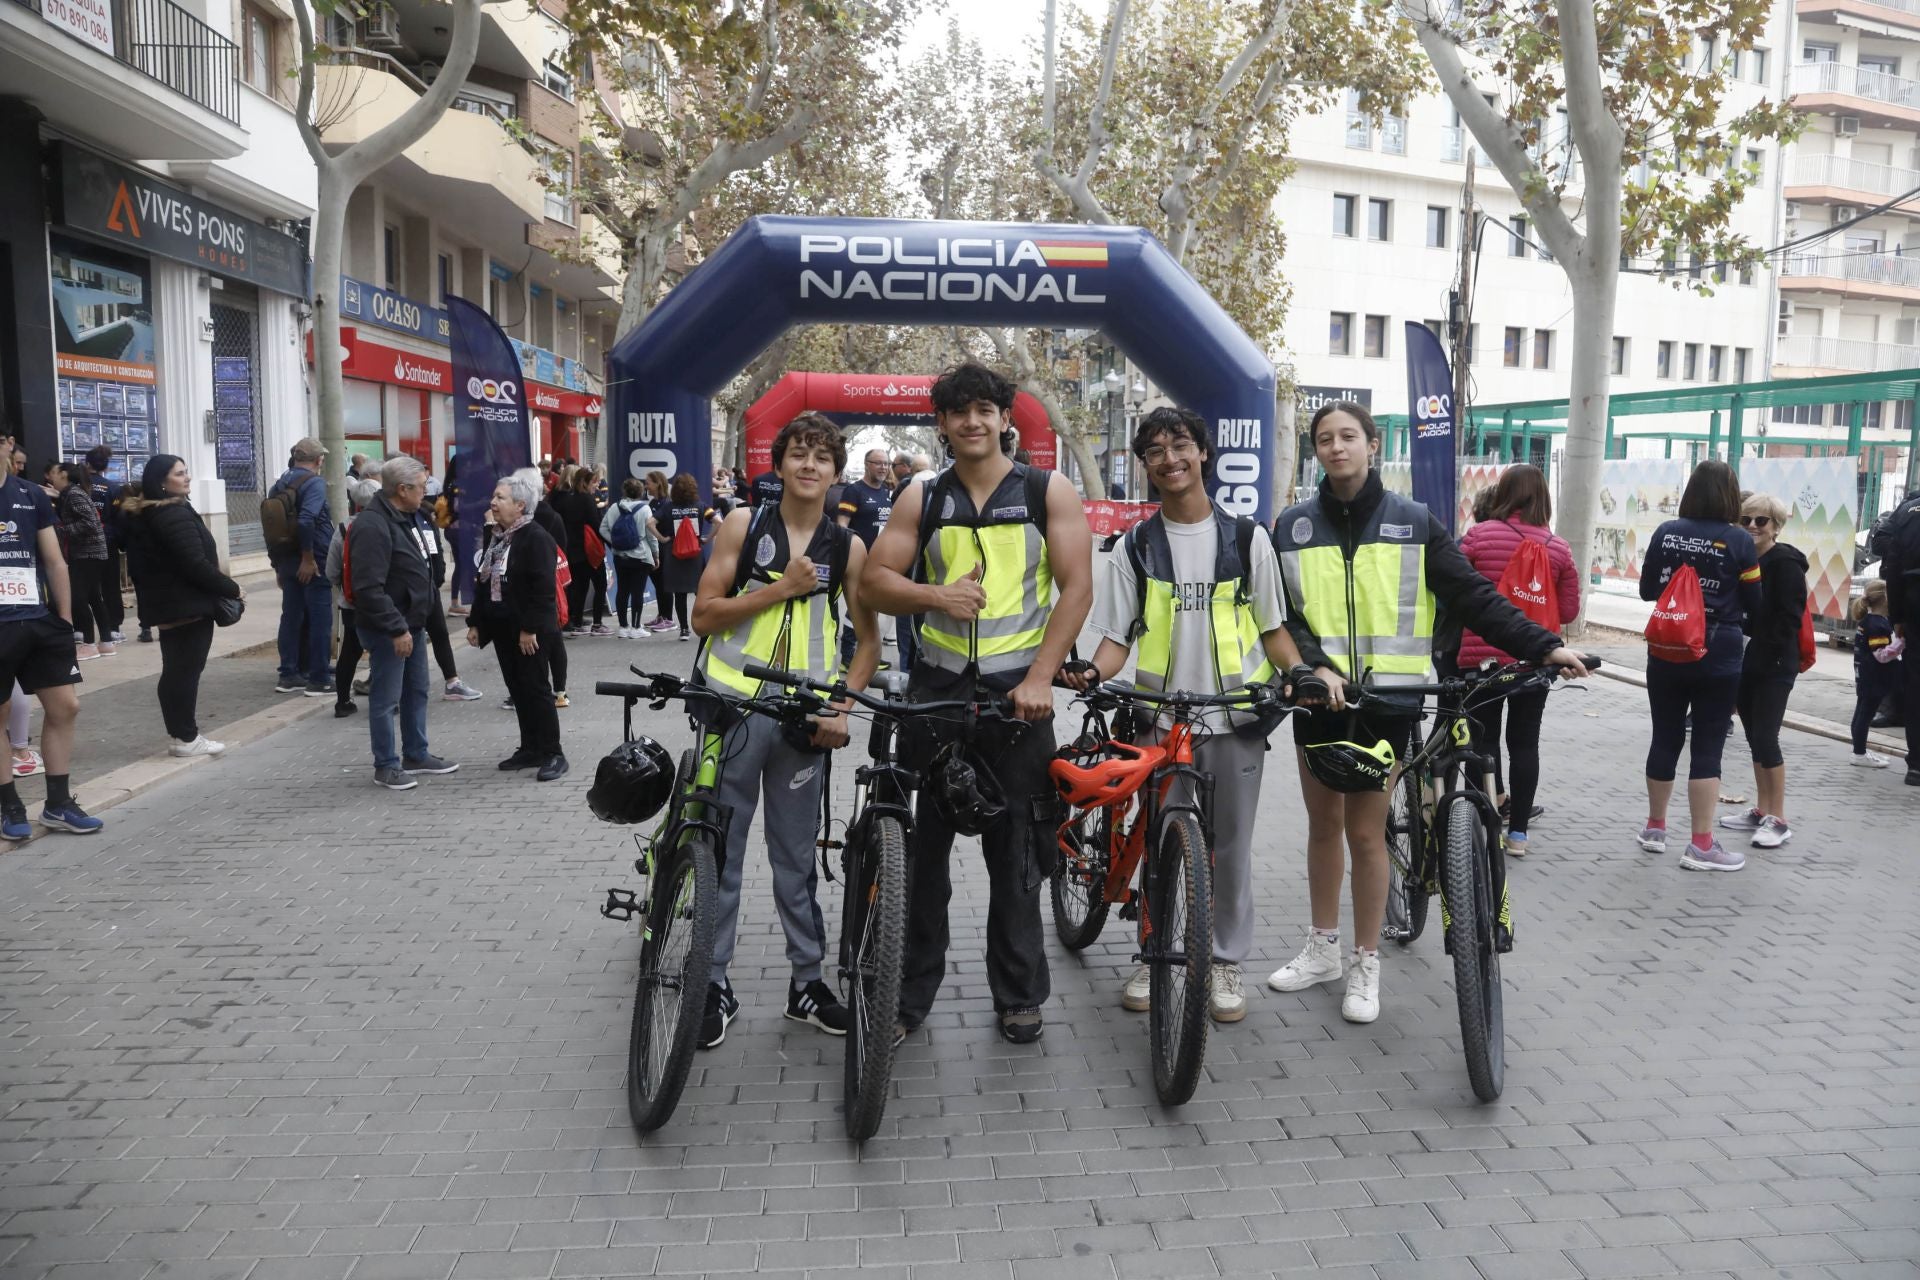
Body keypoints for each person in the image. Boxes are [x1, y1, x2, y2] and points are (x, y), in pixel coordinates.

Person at [1269, 402, 1585, 1023]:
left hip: (1390, 703)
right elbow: (1282, 616)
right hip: (1318, 699)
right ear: (1316, 451)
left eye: (1349, 437)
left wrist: (1544, 644)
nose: (1337, 448)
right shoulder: (1293, 526)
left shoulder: (1415, 522)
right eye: (1325, 439)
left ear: (1372, 446)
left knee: (1365, 833)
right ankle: (1323, 947)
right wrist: (1312, 667)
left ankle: (1365, 962)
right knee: (1321, 827)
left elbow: (1473, 596)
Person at [861, 361, 1094, 1046]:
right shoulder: (921, 496)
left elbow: (1076, 590)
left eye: (984, 409)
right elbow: (874, 582)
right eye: (957, 411)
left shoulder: (1050, 491)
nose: (971, 421)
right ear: (941, 422)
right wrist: (936, 596)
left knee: (1019, 858)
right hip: (935, 701)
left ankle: (1019, 995)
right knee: (923, 863)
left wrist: (1043, 676)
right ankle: (908, 997)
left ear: (1004, 419)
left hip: (1017, 704)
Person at [1064, 407, 1316, 1023]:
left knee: (1229, 847)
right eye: (1155, 450)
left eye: (1180, 445)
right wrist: (1095, 672)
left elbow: (1274, 630)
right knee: (1159, 841)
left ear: (1203, 453)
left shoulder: (1247, 538)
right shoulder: (1136, 545)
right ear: (1145, 465)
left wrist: (1298, 674)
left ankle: (1224, 962)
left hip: (1234, 720)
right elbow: (1118, 637)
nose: (1169, 458)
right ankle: (1155, 954)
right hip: (1158, 722)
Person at [690, 412, 877, 1047]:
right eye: (798, 454)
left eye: (822, 458)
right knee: (721, 854)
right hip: (732, 712)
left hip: (804, 725)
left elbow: (870, 644)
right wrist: (779, 590)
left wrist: (841, 712)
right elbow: (703, 616)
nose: (809, 466)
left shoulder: (848, 547)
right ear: (779, 464)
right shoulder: (743, 525)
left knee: (795, 862)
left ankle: (807, 984)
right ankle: (712, 981)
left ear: (835, 473)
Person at [1635, 459, 1763, 870]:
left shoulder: (1666, 533)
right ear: (1730, 495)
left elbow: (1646, 590)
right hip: (1718, 651)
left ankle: (1655, 828)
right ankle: (1702, 845)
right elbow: (1755, 605)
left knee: (1665, 736)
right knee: (1708, 744)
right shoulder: (1739, 541)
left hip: (1667, 647)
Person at [1456, 464, 1581, 856]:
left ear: (1503, 493)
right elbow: (1569, 609)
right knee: (1525, 743)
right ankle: (1519, 834)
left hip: (1481, 659)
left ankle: (1485, 823)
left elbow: (1455, 592)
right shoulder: (1558, 548)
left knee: (1483, 740)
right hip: (1536, 660)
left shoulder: (1477, 536)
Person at [0, 424, 102, 837]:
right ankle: (9, 807)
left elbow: (56, 561)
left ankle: (58, 804)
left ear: (7, 445)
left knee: (65, 707)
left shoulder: (30, 495)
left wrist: (63, 618)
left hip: (39, 620)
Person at [347, 456, 457, 790]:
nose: (427, 491)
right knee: (385, 698)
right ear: (402, 489)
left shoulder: (412, 516)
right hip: (389, 628)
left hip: (413, 622)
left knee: (416, 691)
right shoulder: (372, 525)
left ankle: (416, 753)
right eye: (422, 486)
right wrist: (396, 628)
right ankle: (386, 765)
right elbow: (368, 588)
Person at [122, 455, 242, 758]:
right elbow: (194, 564)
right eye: (179, 474)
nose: (187, 478)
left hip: (172, 604)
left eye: (186, 472)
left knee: (176, 670)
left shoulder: (155, 513)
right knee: (184, 671)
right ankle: (186, 737)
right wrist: (231, 588)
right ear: (162, 482)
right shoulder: (172, 515)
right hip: (185, 604)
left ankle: (181, 735)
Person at [1720, 491, 1807, 851]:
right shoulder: (1741, 557)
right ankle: (1761, 810)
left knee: (1767, 737)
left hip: (1773, 664)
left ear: (1776, 527)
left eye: (1761, 521)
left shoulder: (1785, 563)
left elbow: (1789, 618)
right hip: (1746, 662)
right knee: (1755, 736)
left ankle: (1779, 819)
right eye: (1746, 520)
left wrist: (1762, 649)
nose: (1753, 527)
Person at [467, 474, 567, 781]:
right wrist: (476, 623)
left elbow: (542, 590)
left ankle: (553, 753)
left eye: (500, 498)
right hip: (502, 628)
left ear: (520, 505)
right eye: (494, 497)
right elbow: (484, 581)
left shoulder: (536, 537)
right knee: (518, 689)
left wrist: (529, 629)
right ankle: (530, 747)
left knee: (537, 690)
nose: (493, 503)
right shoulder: (496, 536)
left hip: (531, 631)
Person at [268, 438, 335, 697]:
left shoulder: (280, 483)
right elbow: (307, 520)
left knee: (291, 616)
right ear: (318, 460)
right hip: (312, 559)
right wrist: (309, 559)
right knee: (320, 619)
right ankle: (318, 679)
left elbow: (271, 528)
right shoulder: (314, 482)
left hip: (286, 559)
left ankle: (289, 674)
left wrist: (277, 566)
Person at [509, 466, 571, 708]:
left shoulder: (531, 526)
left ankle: (544, 692)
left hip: (541, 594)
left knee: (544, 643)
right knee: (554, 641)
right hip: (551, 591)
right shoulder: (551, 516)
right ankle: (559, 690)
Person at [1875, 484, 1920, 785]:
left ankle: (1916, 765)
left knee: (1916, 683)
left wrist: (1898, 617)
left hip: (1915, 600)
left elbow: (1892, 566)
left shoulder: (1907, 512)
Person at [326, 479, 380, 717]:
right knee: (383, 650)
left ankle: (342, 701)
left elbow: (331, 571)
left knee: (350, 651)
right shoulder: (384, 526)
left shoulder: (342, 529)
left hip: (352, 603)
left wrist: (344, 586)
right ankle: (387, 699)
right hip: (381, 602)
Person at [835, 448, 894, 663]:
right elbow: (842, 525)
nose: (883, 467)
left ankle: (867, 656)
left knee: (873, 606)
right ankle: (848, 657)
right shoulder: (854, 491)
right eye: (878, 463)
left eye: (886, 464)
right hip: (858, 561)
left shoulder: (887, 492)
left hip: (880, 563)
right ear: (867, 464)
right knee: (858, 607)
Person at [50, 463, 111, 660]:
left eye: (54, 473)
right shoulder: (72, 493)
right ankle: (106, 642)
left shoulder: (74, 494)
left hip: (87, 553)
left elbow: (89, 523)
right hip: (93, 552)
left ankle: (89, 644)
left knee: (79, 598)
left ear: (64, 475)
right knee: (94, 597)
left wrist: (61, 530)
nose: (51, 477)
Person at [551, 467, 612, 636]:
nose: (597, 486)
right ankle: (598, 624)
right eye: (594, 482)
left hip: (572, 550)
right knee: (600, 584)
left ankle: (576, 621)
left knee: (579, 586)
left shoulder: (567, 499)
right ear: (585, 482)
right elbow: (595, 524)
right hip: (588, 550)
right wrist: (611, 542)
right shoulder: (586, 499)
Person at [1850, 579, 1901, 768]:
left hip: (1864, 676)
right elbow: (1881, 655)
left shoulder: (1868, 621)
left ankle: (1859, 749)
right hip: (1875, 678)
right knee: (1865, 715)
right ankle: (1859, 754)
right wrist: (1899, 644)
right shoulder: (1878, 625)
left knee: (1860, 713)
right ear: (1885, 598)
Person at [601, 478, 659, 637]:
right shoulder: (645, 509)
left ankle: (623, 627)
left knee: (622, 590)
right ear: (641, 492)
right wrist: (655, 554)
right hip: (640, 556)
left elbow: (603, 529)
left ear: (624, 491)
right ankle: (636, 627)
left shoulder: (614, 507)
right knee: (637, 592)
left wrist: (615, 543)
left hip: (620, 556)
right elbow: (651, 535)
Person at [83, 445, 126, 645]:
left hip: (82, 544)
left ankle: (83, 629)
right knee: (111, 585)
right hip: (107, 541)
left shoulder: (79, 486)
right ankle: (114, 627)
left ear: (87, 463)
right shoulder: (113, 488)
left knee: (87, 586)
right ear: (106, 467)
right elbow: (118, 517)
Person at [658, 473, 708, 641]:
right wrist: (707, 538)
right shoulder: (701, 506)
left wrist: (663, 539)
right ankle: (704, 626)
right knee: (700, 591)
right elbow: (719, 522)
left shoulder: (668, 507)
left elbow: (650, 522)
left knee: (679, 593)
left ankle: (684, 629)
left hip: (675, 553)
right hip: (695, 553)